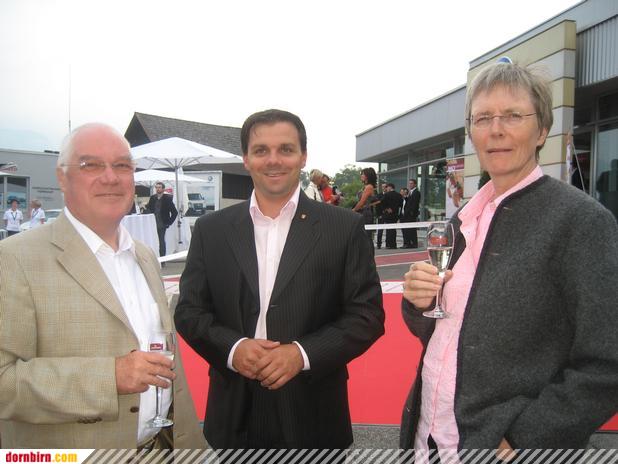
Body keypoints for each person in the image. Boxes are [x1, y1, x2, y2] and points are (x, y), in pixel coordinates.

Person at [400, 62, 618, 455]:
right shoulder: (463, 219)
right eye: (483, 118)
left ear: (542, 130)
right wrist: (419, 302)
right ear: (471, 133)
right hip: (429, 436)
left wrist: (527, 438)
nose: (496, 129)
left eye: (513, 115)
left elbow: (607, 362)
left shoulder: (581, 221)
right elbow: (445, 332)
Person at [175, 109, 384, 449]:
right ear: (246, 158)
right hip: (234, 410)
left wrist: (301, 354)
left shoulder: (344, 228)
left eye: (286, 149)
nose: (273, 160)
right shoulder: (211, 230)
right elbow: (189, 311)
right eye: (261, 150)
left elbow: (367, 316)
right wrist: (233, 348)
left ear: (303, 156)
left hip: (313, 409)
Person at [0, 123, 207, 450]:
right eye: (91, 165)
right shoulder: (13, 260)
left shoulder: (144, 256)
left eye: (122, 165)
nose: (110, 177)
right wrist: (109, 378)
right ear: (62, 177)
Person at [146, 181, 178, 257]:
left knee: (161, 241)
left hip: (162, 223)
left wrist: (169, 222)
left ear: (163, 189)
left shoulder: (168, 198)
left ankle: (162, 258)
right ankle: (154, 256)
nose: (157, 189)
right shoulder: (153, 198)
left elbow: (175, 212)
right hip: (152, 223)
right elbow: (149, 209)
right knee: (153, 240)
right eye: (156, 187)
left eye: (159, 187)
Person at [352, 167, 378, 241]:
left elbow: (361, 202)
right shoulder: (366, 187)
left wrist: (353, 210)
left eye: (363, 174)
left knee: (365, 236)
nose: (361, 176)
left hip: (365, 213)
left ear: (368, 176)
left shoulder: (369, 187)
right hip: (363, 212)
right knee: (363, 235)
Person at [380, 183, 403, 249]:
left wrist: (387, 208)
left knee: (389, 229)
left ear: (390, 187)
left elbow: (382, 202)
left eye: (387, 187)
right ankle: (393, 244)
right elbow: (401, 205)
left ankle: (389, 244)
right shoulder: (399, 195)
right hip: (395, 214)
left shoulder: (387, 194)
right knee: (393, 229)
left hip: (388, 214)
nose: (386, 189)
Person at [401, 179, 420, 248]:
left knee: (412, 229)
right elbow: (409, 202)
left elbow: (415, 203)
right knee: (408, 229)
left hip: (411, 214)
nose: (410, 185)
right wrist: (406, 197)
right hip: (407, 214)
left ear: (415, 184)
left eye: (411, 183)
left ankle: (413, 243)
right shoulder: (410, 192)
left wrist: (411, 212)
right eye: (409, 183)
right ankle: (408, 243)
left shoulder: (416, 192)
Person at [374, 183, 387, 249]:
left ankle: (388, 243)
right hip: (381, 215)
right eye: (382, 187)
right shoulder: (379, 195)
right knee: (380, 230)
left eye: (385, 187)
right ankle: (379, 244)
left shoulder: (389, 195)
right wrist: (378, 215)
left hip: (388, 215)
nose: (383, 188)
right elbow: (377, 206)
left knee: (389, 229)